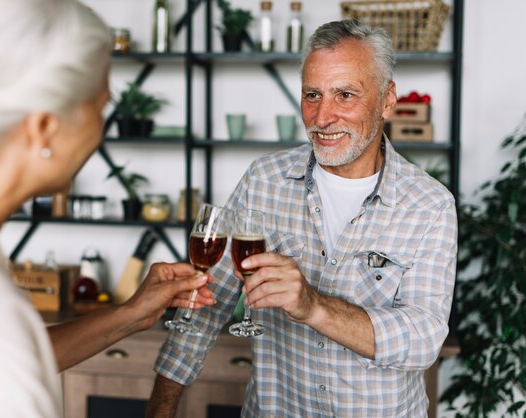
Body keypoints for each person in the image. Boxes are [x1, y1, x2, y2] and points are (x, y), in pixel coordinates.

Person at [0, 0, 214, 417]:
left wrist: (130, 314)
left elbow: (11, 355)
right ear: (44, 127)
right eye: (99, 110)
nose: (99, 134)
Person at [147, 19, 458, 418]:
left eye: (345, 95)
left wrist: (312, 305)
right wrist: (160, 408)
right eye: (312, 94)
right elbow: (206, 303)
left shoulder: (430, 205)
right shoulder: (263, 179)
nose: (322, 117)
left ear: (386, 99)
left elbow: (423, 340)